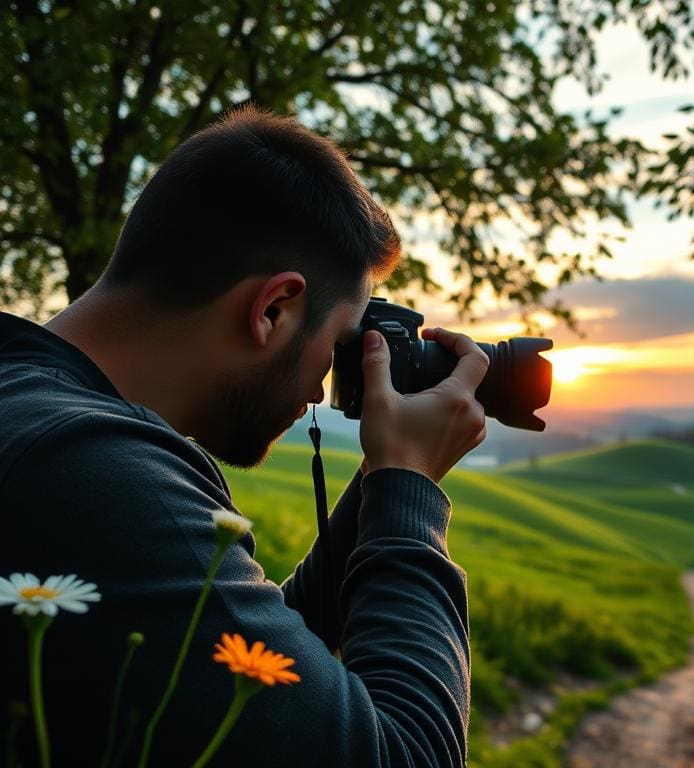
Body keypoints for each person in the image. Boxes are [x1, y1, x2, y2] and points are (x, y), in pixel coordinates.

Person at [0, 104, 488, 767]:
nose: (322, 388)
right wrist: (411, 489)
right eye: (336, 348)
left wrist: (385, 472)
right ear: (274, 309)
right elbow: (410, 757)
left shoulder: (31, 412)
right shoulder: (94, 471)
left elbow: (237, 673)